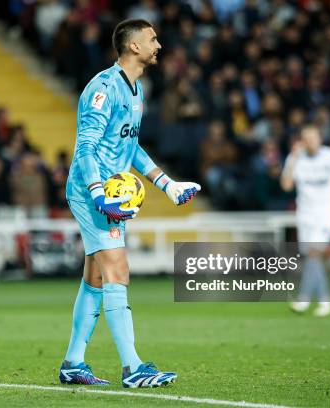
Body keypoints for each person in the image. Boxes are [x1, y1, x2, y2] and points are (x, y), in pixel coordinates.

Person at [60, 19, 200, 388]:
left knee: (95, 276)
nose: (159, 44)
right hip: (93, 192)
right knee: (118, 269)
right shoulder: (103, 89)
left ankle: (73, 362)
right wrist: (97, 193)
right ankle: (133, 368)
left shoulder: (136, 89)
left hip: (108, 194)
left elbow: (129, 146)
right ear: (133, 46)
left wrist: (166, 184)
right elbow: (85, 147)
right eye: (152, 39)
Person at [281, 124, 330, 317]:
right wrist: (293, 158)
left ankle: (303, 299)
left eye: (313, 137)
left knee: (313, 254)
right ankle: (325, 301)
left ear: (320, 138)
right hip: (305, 213)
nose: (310, 141)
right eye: (306, 138)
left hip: (326, 212)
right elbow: (286, 185)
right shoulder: (296, 158)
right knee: (314, 258)